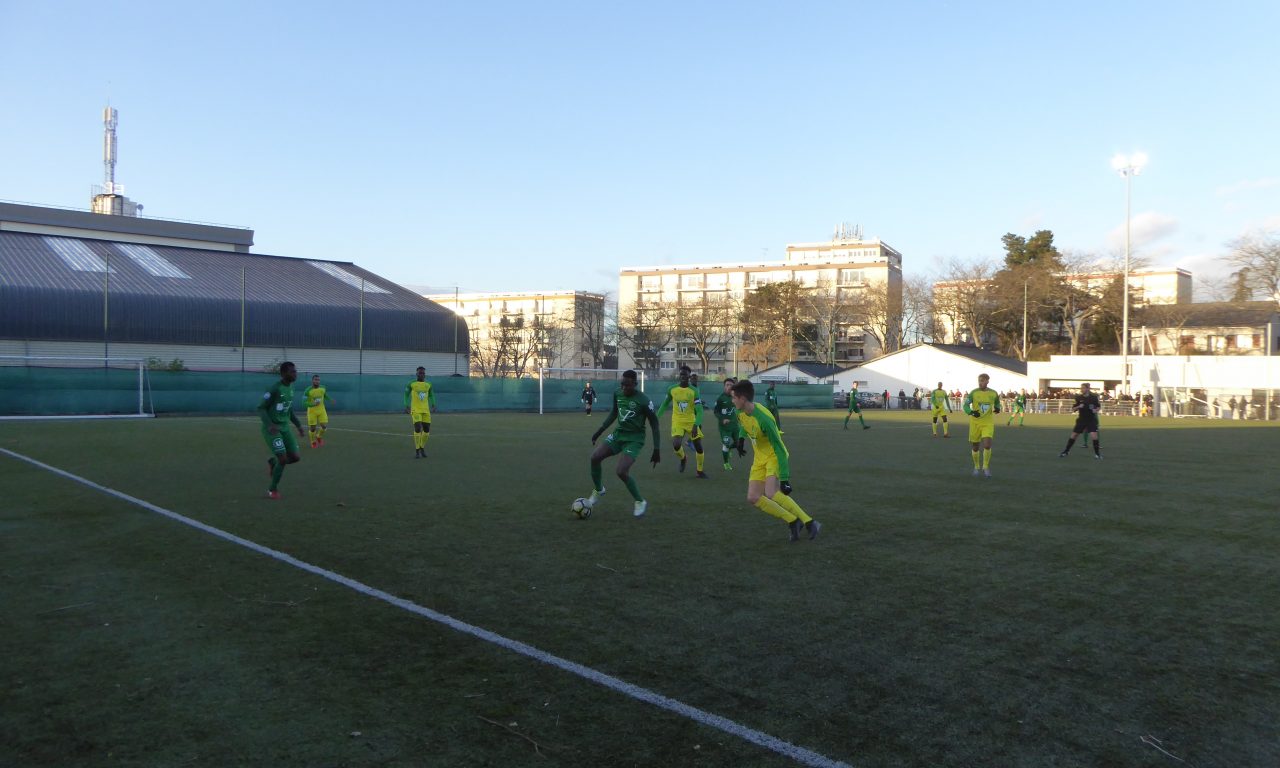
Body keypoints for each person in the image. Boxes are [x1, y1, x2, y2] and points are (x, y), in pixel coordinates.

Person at [731, 380, 820, 542]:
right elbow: (744, 424)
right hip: (759, 459)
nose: (732, 401)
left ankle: (810, 522)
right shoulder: (740, 412)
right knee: (753, 497)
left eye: (734, 398)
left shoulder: (764, 418)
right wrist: (741, 439)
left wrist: (785, 478)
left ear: (742, 398)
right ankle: (793, 521)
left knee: (771, 492)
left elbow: (779, 448)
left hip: (774, 456)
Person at [588, 369, 661, 517]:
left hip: (634, 439)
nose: (624, 388)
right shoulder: (617, 393)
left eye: (627, 385)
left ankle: (640, 501)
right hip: (618, 435)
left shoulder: (644, 401)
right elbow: (614, 413)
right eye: (622, 384)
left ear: (635, 384)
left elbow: (654, 424)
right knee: (594, 457)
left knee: (621, 471)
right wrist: (600, 431)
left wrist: (656, 449)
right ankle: (598, 489)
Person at [259, 361, 306, 499]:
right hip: (272, 429)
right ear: (284, 373)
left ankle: (273, 462)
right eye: (292, 371)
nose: (295, 373)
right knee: (283, 459)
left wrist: (298, 425)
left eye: (295, 371)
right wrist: (269, 425)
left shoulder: (291, 388)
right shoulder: (274, 388)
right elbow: (260, 408)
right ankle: (272, 489)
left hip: (285, 428)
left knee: (295, 457)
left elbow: (289, 410)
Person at [657, 366, 708, 478]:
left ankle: (699, 471)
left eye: (685, 375)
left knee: (699, 447)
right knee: (676, 445)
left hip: (691, 422)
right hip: (677, 421)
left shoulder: (694, 391)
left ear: (689, 376)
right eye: (681, 374)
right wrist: (657, 417)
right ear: (679, 376)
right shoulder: (672, 389)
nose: (683, 377)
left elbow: (699, 410)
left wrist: (696, 424)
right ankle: (683, 458)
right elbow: (665, 404)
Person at [963, 373, 1001, 477]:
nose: (980, 383)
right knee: (975, 447)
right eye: (979, 381)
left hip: (987, 423)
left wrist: (998, 408)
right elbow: (965, 405)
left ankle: (985, 467)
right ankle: (976, 467)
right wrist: (971, 412)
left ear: (987, 381)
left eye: (983, 381)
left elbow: (997, 403)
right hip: (975, 423)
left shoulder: (993, 393)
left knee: (987, 445)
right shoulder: (973, 393)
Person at [1060, 383, 1102, 459]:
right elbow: (1073, 409)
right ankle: (1066, 451)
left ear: (1088, 388)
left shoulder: (1094, 398)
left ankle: (1097, 454)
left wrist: (1095, 410)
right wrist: (1079, 406)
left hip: (1091, 419)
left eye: (1083, 388)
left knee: (1094, 436)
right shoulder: (1078, 397)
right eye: (1081, 388)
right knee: (1074, 435)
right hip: (1081, 419)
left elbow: (1098, 407)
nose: (1081, 389)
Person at [404, 366, 437, 459]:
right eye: (420, 373)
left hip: (426, 410)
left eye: (423, 373)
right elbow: (406, 395)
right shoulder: (411, 384)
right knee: (418, 428)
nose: (422, 374)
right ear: (416, 374)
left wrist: (434, 404)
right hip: (416, 410)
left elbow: (431, 395)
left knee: (426, 430)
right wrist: (406, 405)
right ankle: (417, 450)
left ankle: (422, 447)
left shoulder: (428, 384)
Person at [714, 378, 746, 469]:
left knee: (738, 443)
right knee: (726, 444)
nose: (729, 386)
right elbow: (716, 412)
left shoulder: (736, 397)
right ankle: (726, 463)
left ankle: (730, 449)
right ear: (724, 386)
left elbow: (740, 408)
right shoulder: (720, 399)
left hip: (735, 426)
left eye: (730, 385)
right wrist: (722, 419)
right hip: (724, 428)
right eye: (727, 385)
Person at [303, 374, 336, 447]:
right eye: (315, 380)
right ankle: (313, 441)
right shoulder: (307, 390)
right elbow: (304, 403)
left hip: (321, 410)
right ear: (312, 381)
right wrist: (313, 404)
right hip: (312, 412)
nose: (317, 381)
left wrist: (330, 400)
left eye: (318, 380)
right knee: (312, 428)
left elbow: (325, 395)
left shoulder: (323, 388)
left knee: (324, 426)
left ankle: (318, 436)